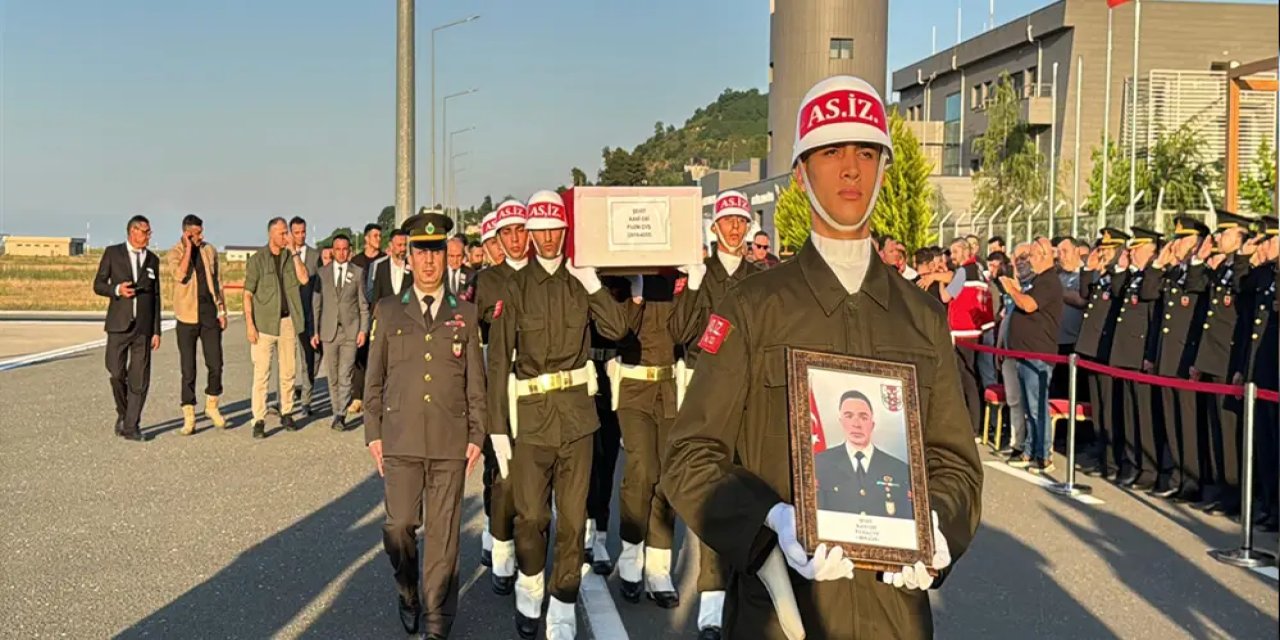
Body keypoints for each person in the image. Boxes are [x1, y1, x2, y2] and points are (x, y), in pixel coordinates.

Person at [662, 75, 981, 639]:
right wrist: (768, 527)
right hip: (781, 613)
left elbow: (954, 461)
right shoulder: (752, 308)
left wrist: (937, 528)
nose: (851, 169)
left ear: (885, 167)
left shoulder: (920, 316)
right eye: (830, 152)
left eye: (866, 151)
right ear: (802, 172)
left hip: (895, 614)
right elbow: (690, 455)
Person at [486, 190, 631, 639]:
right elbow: (498, 361)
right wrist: (496, 428)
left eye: (555, 229)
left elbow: (618, 329)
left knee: (572, 518)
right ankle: (530, 585)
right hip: (530, 419)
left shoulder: (579, 284)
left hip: (577, 418)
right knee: (531, 517)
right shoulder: (513, 288)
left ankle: (564, 600)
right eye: (540, 230)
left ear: (565, 232)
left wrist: (593, 285)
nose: (548, 238)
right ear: (530, 235)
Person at [364, 212, 486, 638]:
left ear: (444, 257)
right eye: (421, 252)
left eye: (436, 252)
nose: (429, 261)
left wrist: (477, 434)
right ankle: (407, 588)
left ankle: (437, 619)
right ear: (409, 256)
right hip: (400, 440)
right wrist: (373, 433)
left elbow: (476, 380)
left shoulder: (465, 313)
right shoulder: (389, 309)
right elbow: (374, 378)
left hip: (451, 441)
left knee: (443, 536)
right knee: (398, 527)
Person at [668, 189, 763, 639]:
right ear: (714, 227)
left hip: (749, 394)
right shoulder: (699, 276)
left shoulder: (761, 277)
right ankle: (710, 601)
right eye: (727, 221)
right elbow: (680, 331)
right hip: (704, 389)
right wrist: (691, 283)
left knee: (750, 488)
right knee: (711, 488)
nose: (734, 229)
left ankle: (744, 590)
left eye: (742, 222)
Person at [472, 199, 529, 591]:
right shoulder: (489, 280)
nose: (513, 239)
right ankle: (499, 544)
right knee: (499, 472)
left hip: (534, 382)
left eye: (519, 230)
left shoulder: (541, 273)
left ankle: (518, 545)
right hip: (501, 379)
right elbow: (480, 330)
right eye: (505, 233)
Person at [1189, 210, 1255, 517]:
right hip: (1213, 358)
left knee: (1231, 434)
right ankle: (1219, 488)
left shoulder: (1243, 270)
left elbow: (1242, 311)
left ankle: (1235, 495)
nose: (1218, 239)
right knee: (1216, 430)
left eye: (1226, 234)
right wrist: (1201, 258)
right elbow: (1198, 289)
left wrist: (1243, 257)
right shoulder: (1222, 269)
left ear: (1241, 239)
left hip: (1229, 360)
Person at [1148, 216, 1212, 501]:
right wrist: (1160, 263)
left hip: (1186, 358)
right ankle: (1176, 474)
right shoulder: (1174, 273)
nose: (1176, 244)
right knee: (1172, 422)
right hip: (1167, 357)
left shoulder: (1203, 273)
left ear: (1198, 242)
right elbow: (1151, 295)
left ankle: (1192, 480)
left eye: (1183, 239)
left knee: (1187, 423)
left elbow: (1199, 301)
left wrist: (1198, 259)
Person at [93, 215, 162, 442]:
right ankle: (123, 413)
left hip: (143, 327)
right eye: (145, 232)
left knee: (139, 378)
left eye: (149, 232)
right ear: (133, 232)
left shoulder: (152, 260)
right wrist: (117, 290)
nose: (148, 236)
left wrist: (156, 330)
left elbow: (156, 297)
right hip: (119, 325)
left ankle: (132, 425)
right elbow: (98, 285)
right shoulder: (113, 253)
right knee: (115, 372)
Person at [1000, 238, 1064, 473]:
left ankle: (1043, 454)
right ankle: (1029, 449)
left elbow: (1028, 305)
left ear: (1047, 256)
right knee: (1028, 406)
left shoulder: (1049, 282)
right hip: (1023, 352)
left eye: (1035, 255)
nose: (1031, 260)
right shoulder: (1037, 280)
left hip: (1038, 353)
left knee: (1037, 406)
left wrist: (1012, 290)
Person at [243, 217, 311, 439]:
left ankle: (287, 410)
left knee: (288, 371)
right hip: (263, 325)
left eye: (287, 233)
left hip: (287, 322)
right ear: (271, 234)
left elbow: (304, 279)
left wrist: (293, 251)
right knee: (262, 374)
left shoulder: (290, 257)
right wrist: (250, 325)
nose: (287, 237)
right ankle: (259, 419)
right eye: (283, 233)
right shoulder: (257, 260)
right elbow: (247, 294)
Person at [1108, 227, 1165, 489]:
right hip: (1126, 354)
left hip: (1141, 354)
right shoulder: (1137, 276)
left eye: (1136, 248)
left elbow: (1153, 312)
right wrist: (1121, 267)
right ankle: (1132, 462)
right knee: (1129, 415)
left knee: (1144, 416)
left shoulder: (1153, 277)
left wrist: (1150, 355)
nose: (1130, 252)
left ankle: (1149, 468)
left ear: (1151, 251)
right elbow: (1119, 294)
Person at [167, 214, 228, 435]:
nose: (201, 236)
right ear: (186, 233)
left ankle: (212, 405)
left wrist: (222, 309)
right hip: (186, 316)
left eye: (202, 232)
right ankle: (189, 413)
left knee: (216, 363)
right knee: (188, 368)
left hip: (209, 314)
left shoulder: (209, 250)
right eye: (196, 233)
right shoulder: (174, 253)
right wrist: (188, 249)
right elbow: (180, 275)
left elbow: (218, 280)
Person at [1075, 229, 1128, 478]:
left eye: (1109, 249)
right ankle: (1102, 456)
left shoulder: (1121, 277)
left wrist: (1114, 268)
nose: (1103, 253)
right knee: (1099, 408)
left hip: (1107, 351)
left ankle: (1113, 461)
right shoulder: (1104, 277)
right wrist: (1088, 267)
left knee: (1110, 409)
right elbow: (1086, 295)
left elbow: (1118, 295)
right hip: (1092, 349)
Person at [814, 390, 913, 519]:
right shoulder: (819, 463)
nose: (856, 424)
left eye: (863, 417)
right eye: (849, 416)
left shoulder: (899, 468)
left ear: (872, 424)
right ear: (841, 421)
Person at [313, 234, 370, 432]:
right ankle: (336, 407)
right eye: (338, 249)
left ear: (350, 251)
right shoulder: (322, 273)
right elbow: (317, 305)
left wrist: (363, 330)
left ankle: (340, 415)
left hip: (350, 331)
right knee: (333, 375)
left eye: (345, 249)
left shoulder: (357, 272)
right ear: (332, 250)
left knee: (345, 373)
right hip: (329, 331)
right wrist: (315, 331)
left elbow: (363, 304)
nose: (342, 253)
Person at [941, 237, 996, 440]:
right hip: (977, 331)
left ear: (964, 251)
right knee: (973, 379)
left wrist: (938, 280)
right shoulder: (980, 270)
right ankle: (978, 424)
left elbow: (947, 296)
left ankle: (973, 425)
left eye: (955, 252)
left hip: (964, 332)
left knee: (967, 380)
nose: (952, 257)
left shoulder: (964, 271)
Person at [350, 223, 386, 416]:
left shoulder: (384, 260)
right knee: (359, 356)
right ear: (366, 239)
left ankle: (376, 396)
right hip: (359, 314)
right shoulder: (356, 262)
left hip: (380, 315)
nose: (378, 239)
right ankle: (357, 397)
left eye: (380, 236)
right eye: (374, 236)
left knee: (378, 356)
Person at [290, 217, 322, 419]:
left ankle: (306, 399)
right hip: (288, 315)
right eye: (297, 232)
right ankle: (287, 398)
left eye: (303, 232)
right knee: (286, 360)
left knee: (311, 358)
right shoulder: (285, 255)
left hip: (308, 313)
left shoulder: (314, 256)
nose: (301, 236)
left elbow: (318, 287)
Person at [369, 229, 413, 307]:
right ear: (391, 245)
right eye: (399, 245)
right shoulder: (381, 267)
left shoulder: (412, 266)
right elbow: (376, 297)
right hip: (386, 316)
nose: (403, 249)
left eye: (405, 245)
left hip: (407, 316)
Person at [445, 236, 476, 301]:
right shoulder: (439, 274)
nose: (455, 260)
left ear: (463, 256)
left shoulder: (472, 275)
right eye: (451, 256)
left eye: (458, 256)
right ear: (446, 255)